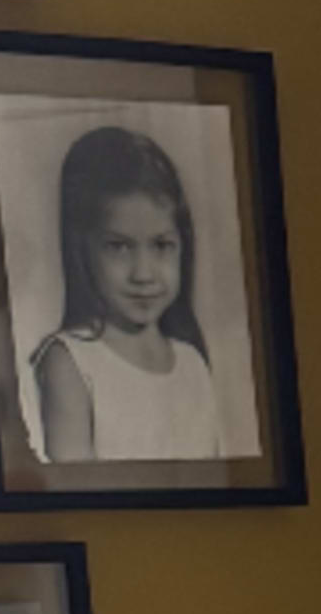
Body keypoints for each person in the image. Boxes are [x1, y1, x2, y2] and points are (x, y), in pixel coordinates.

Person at [25, 123, 226, 468]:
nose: (143, 274)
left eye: (162, 246)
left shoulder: (192, 362)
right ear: (81, 250)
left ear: (183, 246)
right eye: (118, 247)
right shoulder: (70, 362)